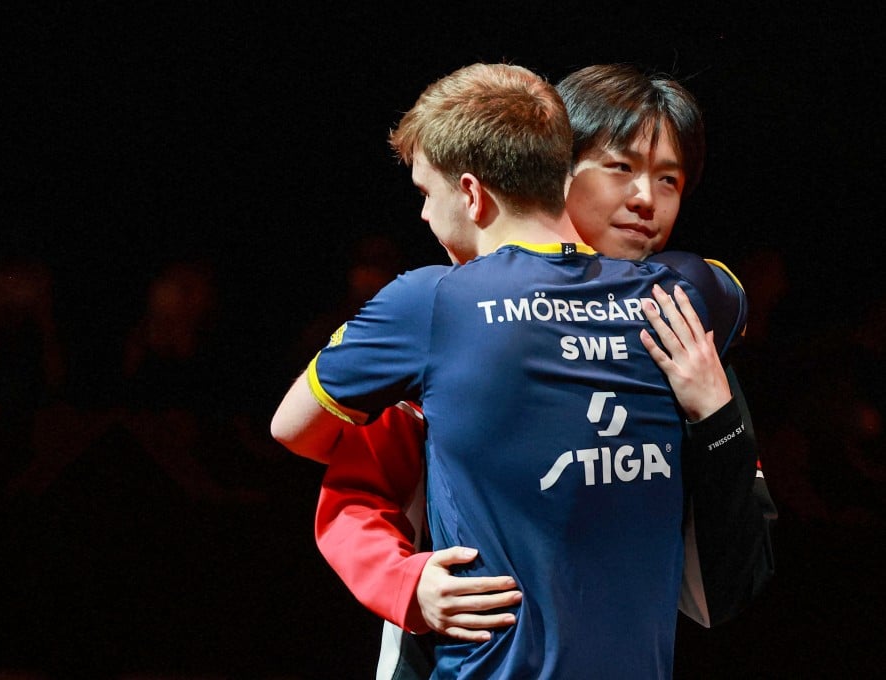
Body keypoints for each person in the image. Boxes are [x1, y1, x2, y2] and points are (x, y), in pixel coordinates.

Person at [271, 62, 748, 679]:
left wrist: (719, 416)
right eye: (621, 167)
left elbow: (734, 564)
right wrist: (404, 582)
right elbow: (355, 494)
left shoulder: (680, 317)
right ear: (562, 172)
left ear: (470, 192)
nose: (643, 199)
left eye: (668, 179)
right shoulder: (438, 330)